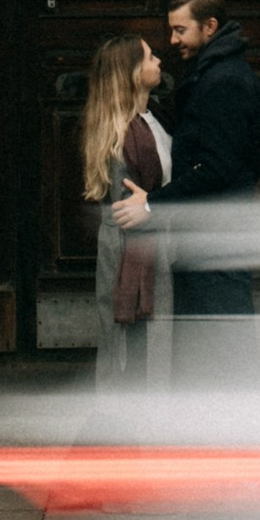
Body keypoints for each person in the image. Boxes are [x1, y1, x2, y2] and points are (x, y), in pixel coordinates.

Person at [111, 0, 260, 320]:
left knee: (222, 332)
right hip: (213, 228)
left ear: (209, 26)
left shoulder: (223, 80)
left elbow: (216, 167)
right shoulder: (212, 72)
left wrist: (151, 203)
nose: (173, 40)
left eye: (181, 30)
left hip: (219, 232)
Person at [82, 29, 172, 381]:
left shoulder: (155, 119)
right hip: (132, 245)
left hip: (155, 239)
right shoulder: (120, 134)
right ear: (134, 72)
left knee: (150, 340)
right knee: (129, 343)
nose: (159, 61)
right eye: (150, 56)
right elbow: (125, 206)